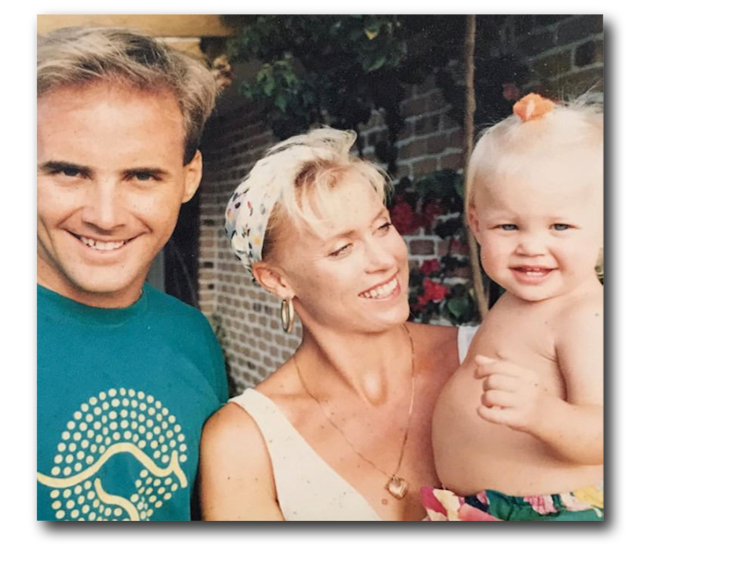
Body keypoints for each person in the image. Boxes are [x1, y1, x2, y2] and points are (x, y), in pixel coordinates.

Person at [200, 128, 476, 520]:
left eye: (382, 227)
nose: (384, 259)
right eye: (342, 248)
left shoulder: (484, 357)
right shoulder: (244, 443)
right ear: (277, 280)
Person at [36, 27, 227, 521]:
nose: (105, 215)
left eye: (141, 176)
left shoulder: (192, 336)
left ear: (189, 178)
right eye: (69, 172)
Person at [425, 93, 604, 521]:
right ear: (476, 223)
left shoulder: (583, 315)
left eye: (560, 226)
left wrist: (543, 413)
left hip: (552, 512)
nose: (531, 247)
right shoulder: (521, 296)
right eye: (509, 225)